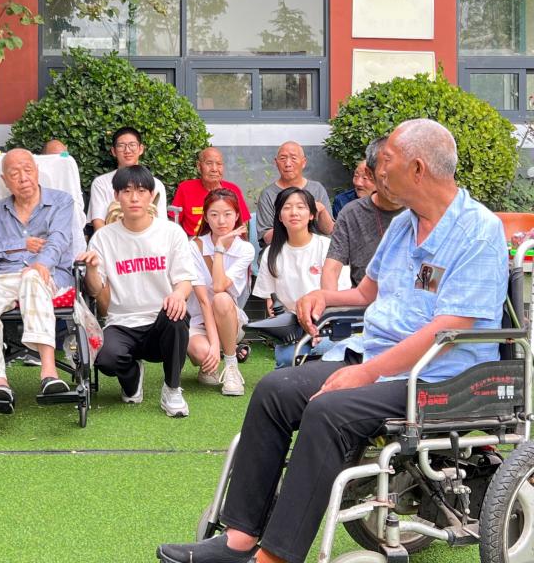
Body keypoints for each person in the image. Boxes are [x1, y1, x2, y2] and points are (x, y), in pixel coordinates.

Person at [156, 119, 507, 563]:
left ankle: (276, 556)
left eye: (387, 160)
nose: (378, 169)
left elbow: (447, 330)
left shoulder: (478, 231)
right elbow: (367, 293)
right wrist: (324, 296)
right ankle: (239, 538)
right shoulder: (405, 223)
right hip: (380, 359)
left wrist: (366, 373)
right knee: (275, 390)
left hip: (440, 378)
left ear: (418, 169)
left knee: (329, 410)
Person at [84, 166, 203, 417]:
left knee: (177, 314)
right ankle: (132, 377)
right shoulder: (103, 238)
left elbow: (185, 281)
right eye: (127, 191)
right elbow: (94, 290)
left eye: (141, 191)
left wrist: (178, 295)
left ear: (152, 195)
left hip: (160, 322)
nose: (134, 198)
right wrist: (92, 269)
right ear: (116, 196)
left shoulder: (171, 233)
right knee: (105, 359)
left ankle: (172, 389)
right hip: (121, 323)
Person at [0, 148, 74, 411]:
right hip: (6, 277)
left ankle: (49, 373)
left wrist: (41, 263)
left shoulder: (61, 201)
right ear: (5, 180)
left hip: (49, 275)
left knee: (33, 277)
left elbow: (59, 239)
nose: (23, 177)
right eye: (14, 173)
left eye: (27, 170)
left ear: (37, 172)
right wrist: (19, 245)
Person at [253, 187, 349, 368]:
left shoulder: (327, 247)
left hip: (327, 322)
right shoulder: (271, 254)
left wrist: (319, 327)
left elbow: (340, 295)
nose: (294, 212)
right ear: (279, 216)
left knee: (326, 350)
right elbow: (271, 302)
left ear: (312, 214)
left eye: (300, 207)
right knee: (289, 359)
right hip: (293, 327)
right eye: (287, 207)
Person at [188, 188, 255, 396]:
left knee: (222, 298)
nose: (221, 221)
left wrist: (218, 249)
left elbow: (219, 287)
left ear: (237, 216)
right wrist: (213, 343)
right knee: (202, 353)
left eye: (227, 214)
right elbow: (202, 300)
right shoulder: (194, 246)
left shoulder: (245, 249)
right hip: (199, 320)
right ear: (206, 217)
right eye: (214, 214)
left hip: (229, 319)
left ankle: (232, 365)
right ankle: (210, 361)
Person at [323, 137, 404, 289]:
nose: (395, 182)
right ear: (370, 173)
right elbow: (331, 270)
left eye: (401, 173)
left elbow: (436, 270)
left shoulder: (422, 210)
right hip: (363, 300)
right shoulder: (351, 213)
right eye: (386, 175)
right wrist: (328, 298)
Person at [88, 127, 167, 231]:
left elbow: (161, 222)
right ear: (113, 151)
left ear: (141, 149)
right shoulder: (100, 183)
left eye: (132, 145)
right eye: (121, 146)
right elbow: (98, 221)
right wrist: (108, 240)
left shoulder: (156, 184)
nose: (127, 150)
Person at [257, 141, 333, 247]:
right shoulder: (267, 194)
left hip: (315, 250)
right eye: (283, 158)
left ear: (304, 162)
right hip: (279, 250)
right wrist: (293, 223)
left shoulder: (317, 189)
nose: (288, 164)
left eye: (293, 158)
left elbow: (329, 230)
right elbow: (266, 238)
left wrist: (322, 210)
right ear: (276, 162)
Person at [172, 147, 250, 236]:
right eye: (209, 163)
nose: (214, 169)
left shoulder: (233, 189)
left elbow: (242, 225)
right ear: (199, 166)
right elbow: (174, 222)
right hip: (193, 241)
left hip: (227, 240)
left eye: (219, 164)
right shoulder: (185, 188)